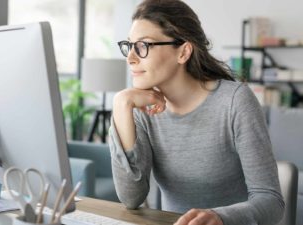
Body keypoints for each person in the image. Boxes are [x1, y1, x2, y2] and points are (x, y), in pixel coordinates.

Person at [108, 0, 285, 225]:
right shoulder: (141, 108)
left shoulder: (235, 102)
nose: (130, 57)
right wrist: (121, 105)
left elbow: (271, 201)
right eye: (129, 45)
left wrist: (220, 217)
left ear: (183, 52)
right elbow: (131, 198)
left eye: (143, 46)